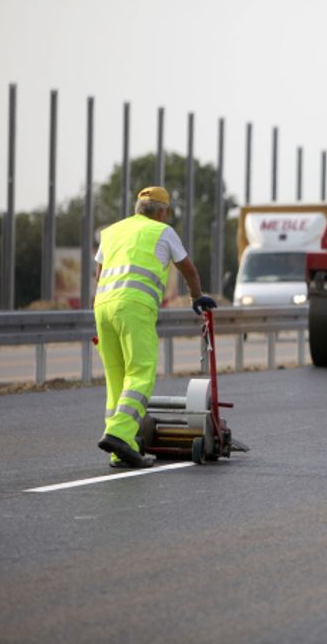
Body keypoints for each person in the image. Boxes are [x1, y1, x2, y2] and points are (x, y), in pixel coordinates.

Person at [93, 186, 217, 468]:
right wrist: (196, 297)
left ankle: (120, 450)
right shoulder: (163, 231)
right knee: (141, 373)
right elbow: (189, 269)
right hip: (134, 307)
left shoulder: (111, 231)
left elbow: (99, 275)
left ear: (137, 209)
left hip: (102, 307)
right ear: (163, 212)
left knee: (116, 379)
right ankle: (118, 433)